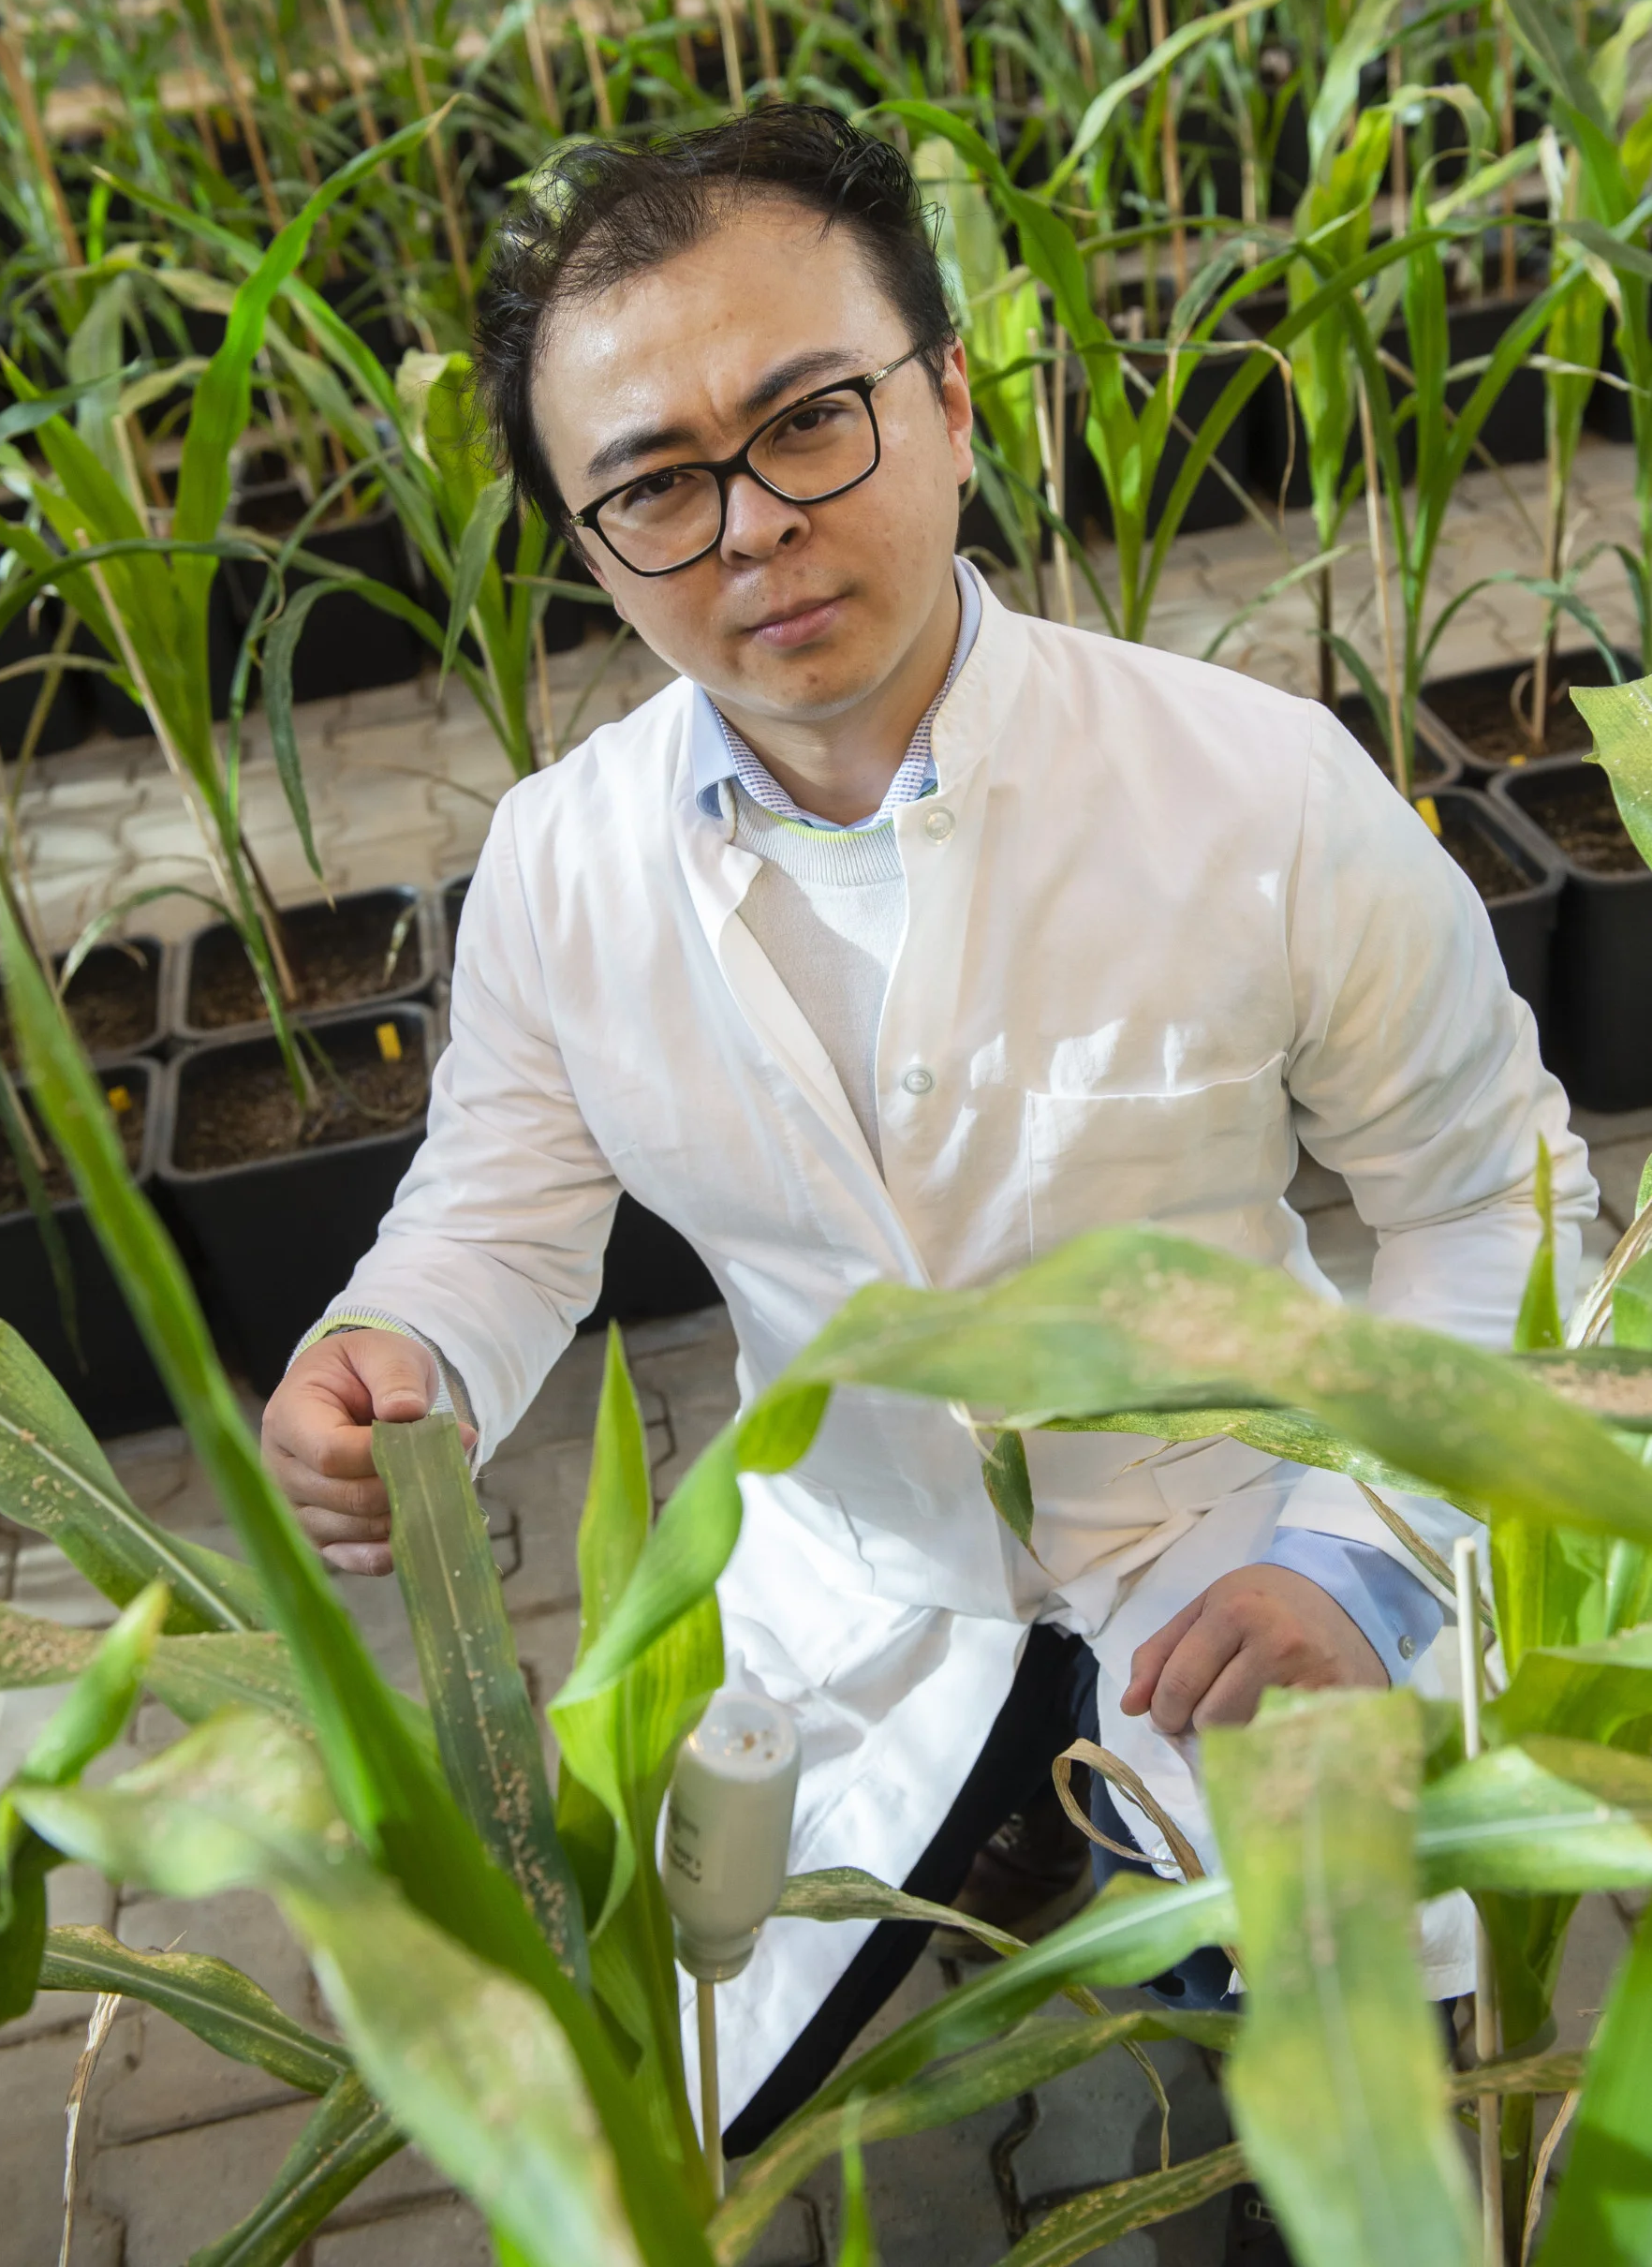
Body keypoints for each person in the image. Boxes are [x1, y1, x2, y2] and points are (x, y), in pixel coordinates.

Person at [261, 110, 1593, 2260]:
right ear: (588, 542)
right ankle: (992, 1845)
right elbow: (498, 1206)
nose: (756, 529)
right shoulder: (562, 866)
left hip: (1238, 1544)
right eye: (656, 483)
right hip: (856, 1577)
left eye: (812, 417)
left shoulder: (1252, 792)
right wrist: (392, 1349)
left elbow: (1494, 1202)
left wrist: (1363, 1564)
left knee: (1353, 2150)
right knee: (672, 2124)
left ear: (954, 400)